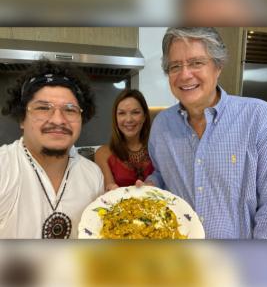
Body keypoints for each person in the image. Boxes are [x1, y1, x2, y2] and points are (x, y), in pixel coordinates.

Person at [139, 27, 267, 239]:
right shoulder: (162, 126)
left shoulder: (259, 117)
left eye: (196, 63)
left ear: (218, 66)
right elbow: (164, 175)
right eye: (175, 66)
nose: (184, 74)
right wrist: (150, 185)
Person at [0, 60, 104, 239]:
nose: (58, 120)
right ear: (22, 119)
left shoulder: (93, 176)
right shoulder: (5, 169)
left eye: (70, 110)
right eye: (42, 108)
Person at [94, 89, 154, 191]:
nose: (129, 119)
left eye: (135, 112)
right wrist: (110, 189)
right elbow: (110, 191)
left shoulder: (157, 148)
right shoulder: (102, 153)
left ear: (144, 117)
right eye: (122, 113)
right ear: (116, 118)